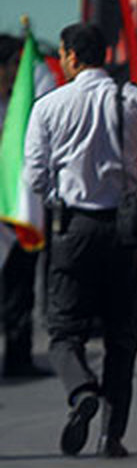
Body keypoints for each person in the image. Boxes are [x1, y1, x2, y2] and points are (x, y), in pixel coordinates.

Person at [24, 23, 137, 457]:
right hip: (127, 233)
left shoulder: (49, 107)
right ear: (105, 54)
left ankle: (81, 390)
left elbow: (35, 177)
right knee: (121, 338)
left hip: (74, 231)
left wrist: (63, 195)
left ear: (69, 57)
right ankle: (112, 435)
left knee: (64, 332)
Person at [0, 33, 56, 379]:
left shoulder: (24, 109)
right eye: (11, 67)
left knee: (20, 289)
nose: (15, 74)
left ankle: (19, 356)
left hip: (17, 214)